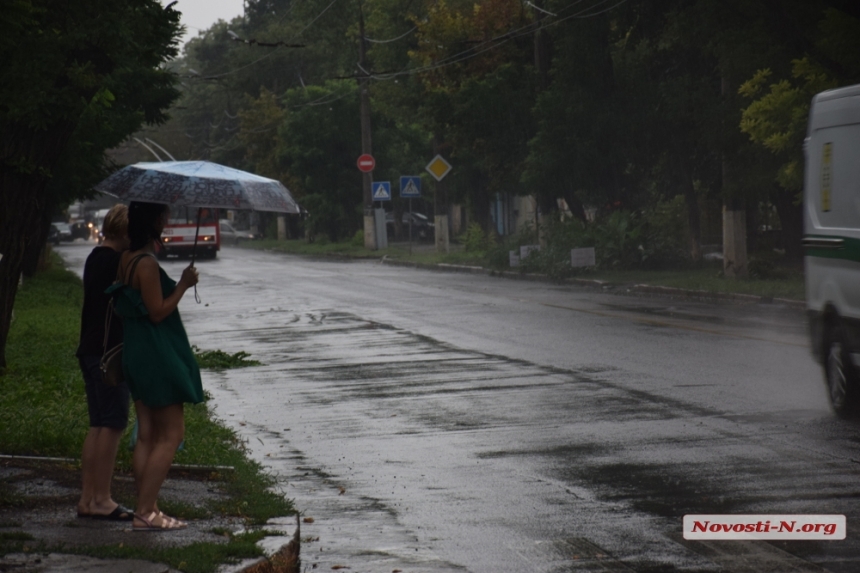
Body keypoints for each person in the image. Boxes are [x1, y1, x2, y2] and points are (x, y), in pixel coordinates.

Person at [109, 201, 202, 531]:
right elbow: (158, 311)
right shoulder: (146, 264)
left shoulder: (126, 259)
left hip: (136, 352)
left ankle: (146, 509)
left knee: (147, 434)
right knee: (171, 433)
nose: (168, 219)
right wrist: (183, 285)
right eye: (164, 215)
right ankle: (146, 511)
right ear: (154, 221)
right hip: (155, 353)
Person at [75, 204, 133, 521]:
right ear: (124, 231)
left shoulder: (95, 257)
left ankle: (88, 498)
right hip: (109, 354)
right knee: (112, 424)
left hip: (89, 349)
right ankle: (102, 498)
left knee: (98, 425)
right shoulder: (116, 262)